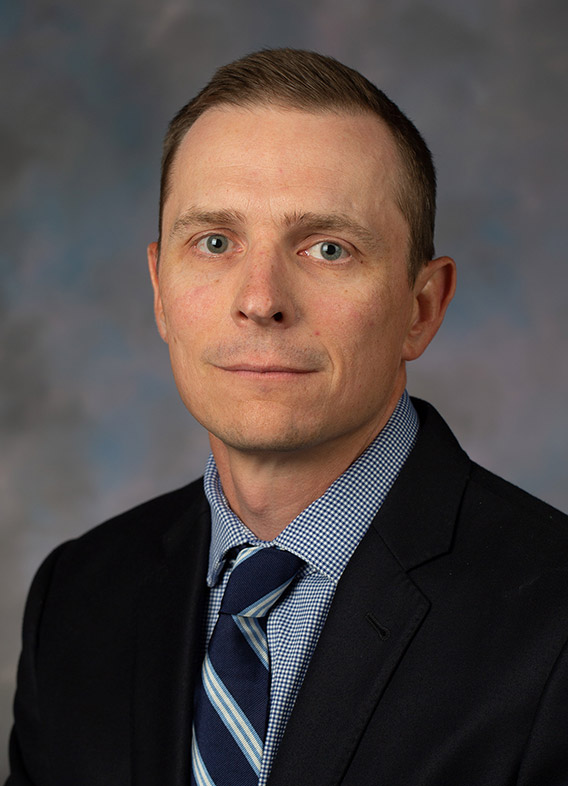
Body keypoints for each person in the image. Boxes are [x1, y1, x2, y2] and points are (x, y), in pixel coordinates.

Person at [6, 48, 568, 786]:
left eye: (328, 248)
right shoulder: (79, 596)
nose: (260, 299)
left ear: (422, 308)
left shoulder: (551, 620)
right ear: (159, 290)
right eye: (214, 242)